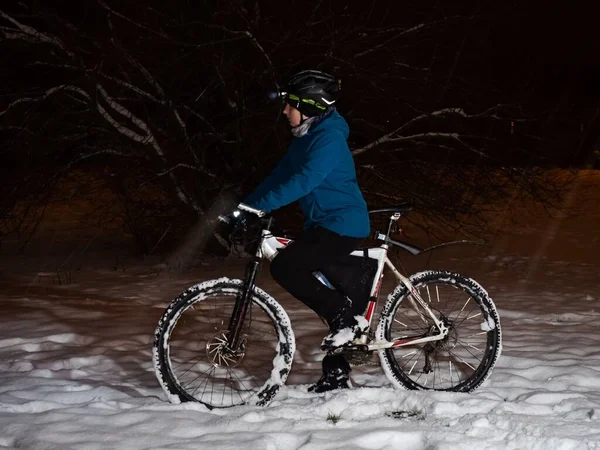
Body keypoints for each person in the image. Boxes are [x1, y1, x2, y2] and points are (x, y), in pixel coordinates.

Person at [243, 69, 370, 393]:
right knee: (332, 294)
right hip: (323, 225)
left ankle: (343, 315)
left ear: (309, 105)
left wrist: (263, 207)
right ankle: (337, 374)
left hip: (342, 226)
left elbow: (304, 181)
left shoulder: (328, 139)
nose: (285, 111)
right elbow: (281, 175)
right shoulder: (307, 137)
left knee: (287, 265)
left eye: (290, 105)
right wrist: (246, 206)